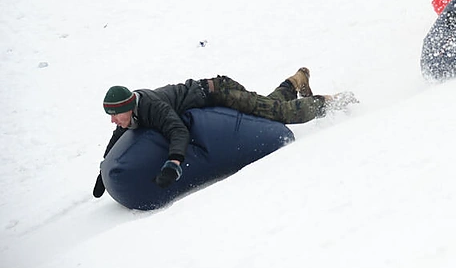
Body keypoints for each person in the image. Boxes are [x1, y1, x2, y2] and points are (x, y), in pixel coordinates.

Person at [92, 69, 357, 197]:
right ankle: (295, 81)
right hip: (213, 99)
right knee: (266, 109)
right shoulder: (131, 114)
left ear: (128, 107)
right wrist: (103, 172)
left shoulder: (151, 106)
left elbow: (178, 131)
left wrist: (173, 163)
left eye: (116, 114)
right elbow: (116, 137)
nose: (114, 121)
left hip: (219, 93)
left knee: (279, 114)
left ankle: (334, 101)